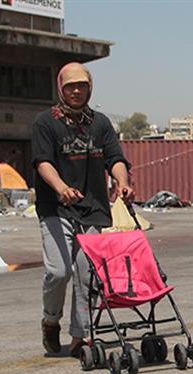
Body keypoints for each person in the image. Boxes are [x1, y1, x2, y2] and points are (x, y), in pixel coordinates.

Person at [34, 62, 133, 357]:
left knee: (87, 274)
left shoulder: (100, 123)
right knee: (59, 271)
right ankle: (51, 320)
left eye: (82, 86)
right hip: (56, 207)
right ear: (60, 88)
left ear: (90, 88)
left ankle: (81, 337)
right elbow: (42, 162)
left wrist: (123, 182)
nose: (76, 91)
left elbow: (115, 158)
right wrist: (61, 187)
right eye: (70, 86)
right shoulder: (45, 122)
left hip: (92, 208)